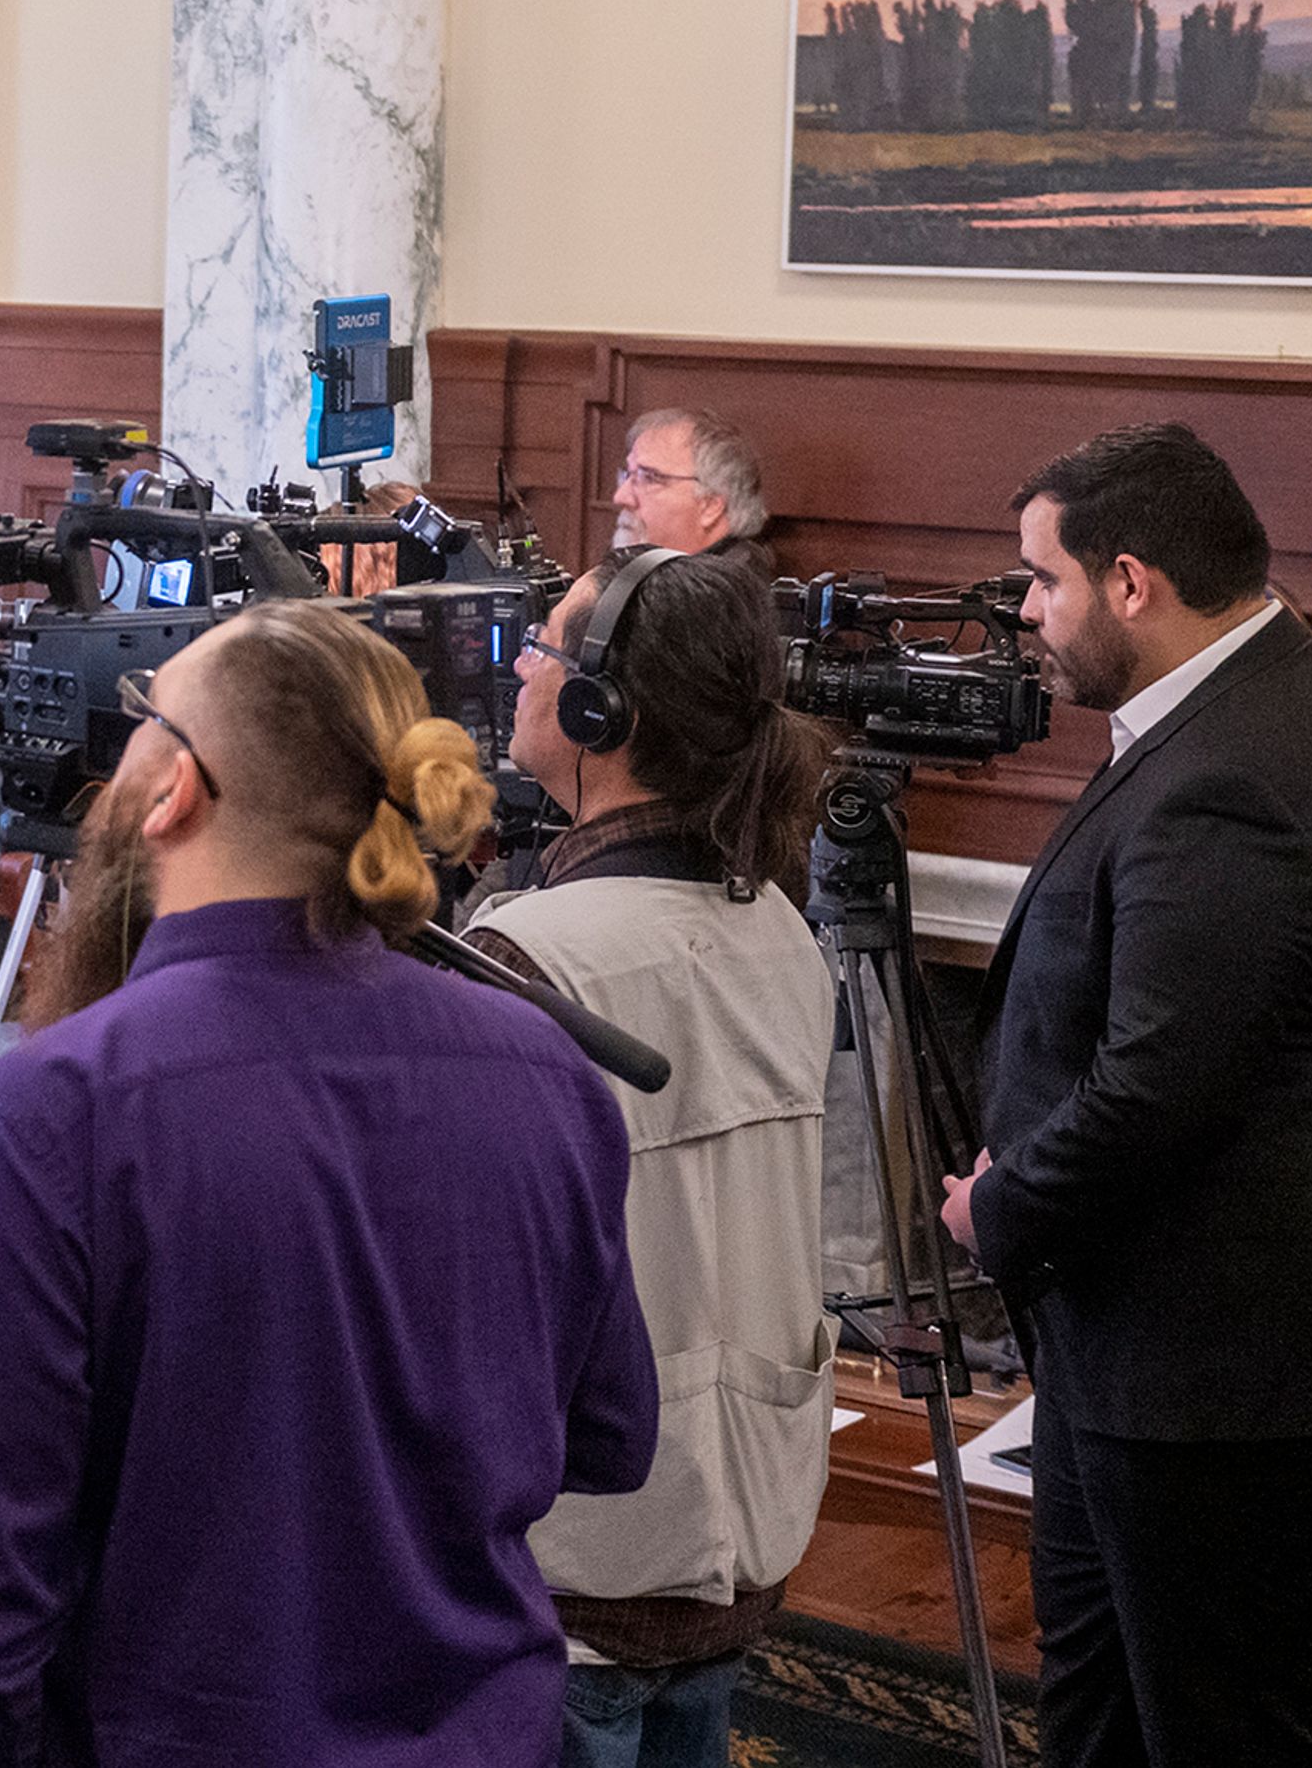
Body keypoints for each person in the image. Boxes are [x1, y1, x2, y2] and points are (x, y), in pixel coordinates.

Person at [0, 601, 657, 1766]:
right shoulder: (548, 1072)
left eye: (145, 713)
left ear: (175, 789)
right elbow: (612, 1437)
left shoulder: (56, 1111)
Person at [942, 421, 1312, 1768]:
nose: (1029, 613)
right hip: (1170, 1345)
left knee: (1221, 1736)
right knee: (1110, 1708)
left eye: (1045, 581)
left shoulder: (1241, 766)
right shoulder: (1246, 703)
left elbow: (1162, 1082)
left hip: (1243, 1373)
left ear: (1133, 582)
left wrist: (1001, 1208)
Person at [468, 547, 838, 1768]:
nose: (518, 664)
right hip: (733, 1524)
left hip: (582, 1566)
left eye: (546, 645)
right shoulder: (781, 923)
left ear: (600, 712)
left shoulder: (533, 961)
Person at [610, 408, 776, 579]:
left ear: (710, 506)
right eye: (628, 475)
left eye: (650, 478)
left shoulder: (722, 594)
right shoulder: (658, 576)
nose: (621, 497)